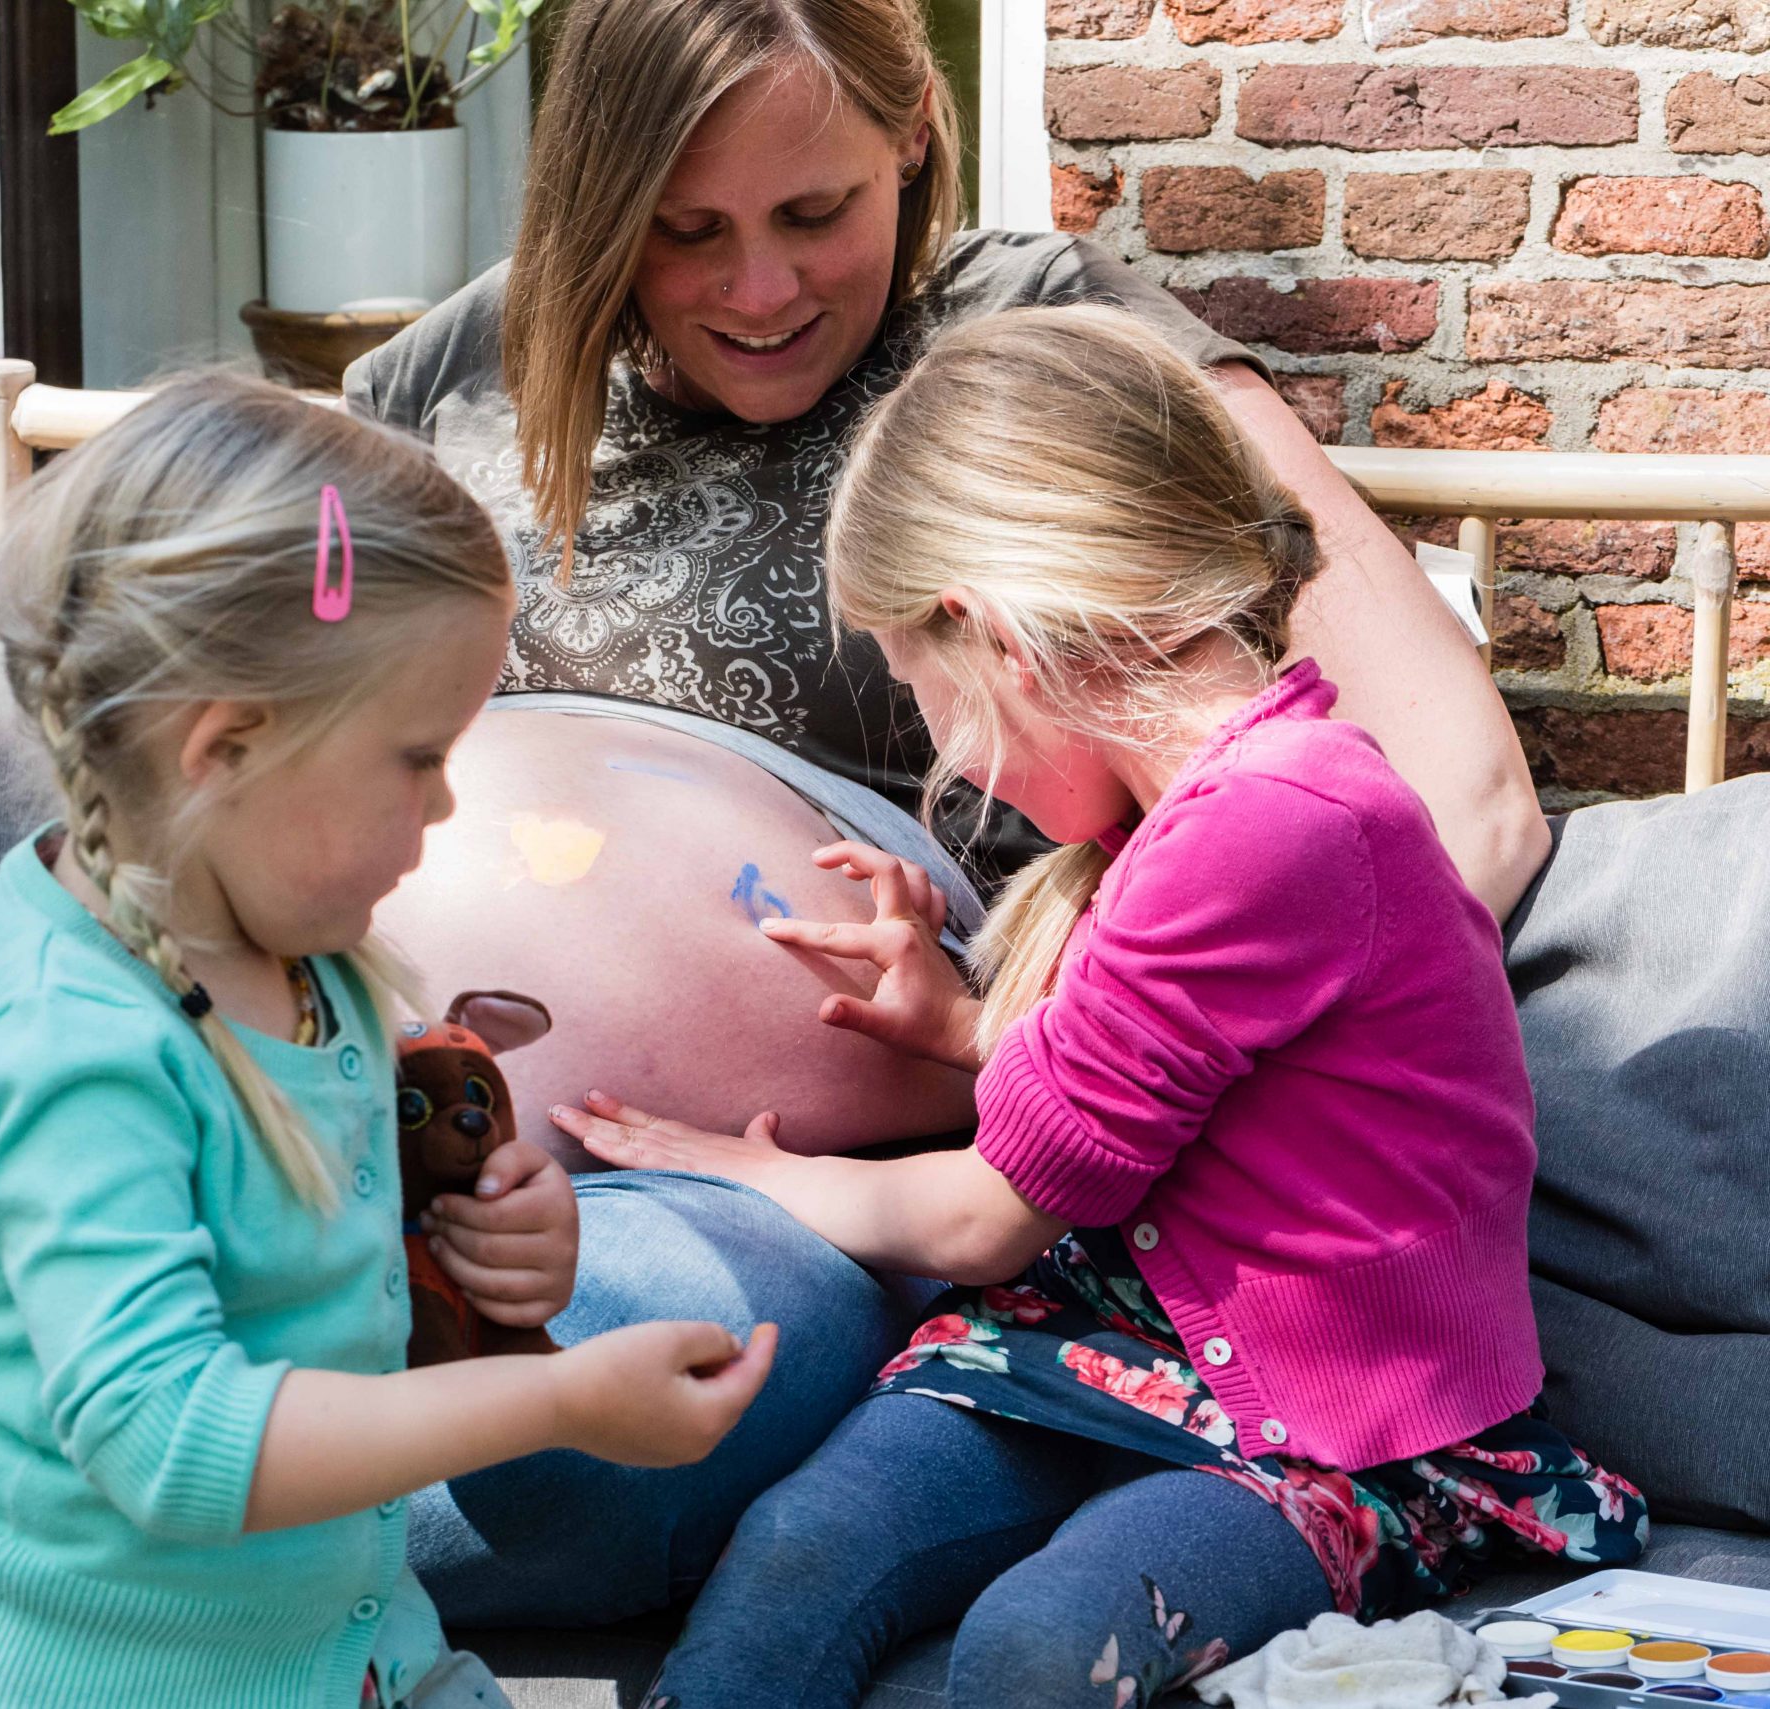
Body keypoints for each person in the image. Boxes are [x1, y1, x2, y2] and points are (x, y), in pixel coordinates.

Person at [351, 0, 1550, 1631]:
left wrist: (1089, 1048)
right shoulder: (454, 369)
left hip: (804, 1186)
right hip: (369, 1087)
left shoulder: (1041, 338)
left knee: (511, 1424)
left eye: (816, 213)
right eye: (682, 230)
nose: (759, 289)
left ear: (915, 126)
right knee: (18, 1189)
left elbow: (1454, 792)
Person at [554, 308, 1647, 1707]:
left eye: (927, 698)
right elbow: (1186, 1092)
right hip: (1106, 1350)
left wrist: (752, 1170)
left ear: (998, 639)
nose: (950, 755)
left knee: (1045, 1637)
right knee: (801, 1544)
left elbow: (985, 1215)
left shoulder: (1274, 822)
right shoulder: (1191, 817)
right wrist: (963, 1028)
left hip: (1327, 1426)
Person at [0, 372, 775, 1709]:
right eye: (415, 755)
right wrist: (557, 1404)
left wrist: (500, 1243)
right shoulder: (68, 1047)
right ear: (224, 748)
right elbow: (171, 1437)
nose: (449, 802)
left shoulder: (302, 956)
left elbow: (300, 1254)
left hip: (329, 1646)